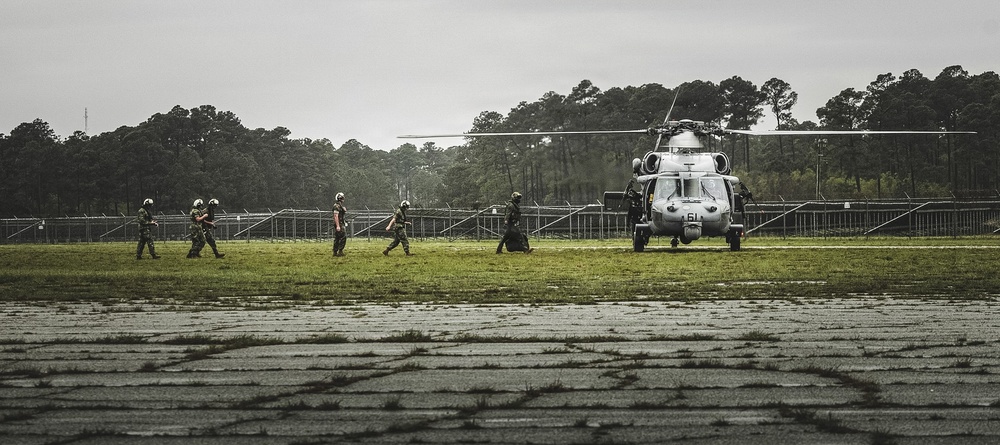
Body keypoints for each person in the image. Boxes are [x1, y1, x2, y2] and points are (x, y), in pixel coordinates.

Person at [332, 192, 347, 256]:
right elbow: (336, 216)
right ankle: (340, 251)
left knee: (337, 237)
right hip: (339, 223)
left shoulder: (339, 205)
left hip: (341, 223)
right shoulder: (336, 206)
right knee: (343, 236)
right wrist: (338, 226)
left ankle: (335, 251)